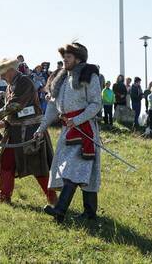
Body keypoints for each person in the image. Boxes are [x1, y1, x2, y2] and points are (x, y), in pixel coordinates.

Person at [35, 42, 102, 223]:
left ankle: (61, 210)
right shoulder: (60, 79)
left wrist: (78, 119)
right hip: (68, 131)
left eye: (69, 56)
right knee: (74, 171)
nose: (65, 59)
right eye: (64, 56)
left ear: (78, 58)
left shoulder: (89, 76)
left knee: (76, 171)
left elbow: (96, 104)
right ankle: (89, 213)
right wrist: (42, 128)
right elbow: (52, 107)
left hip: (85, 131)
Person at [0, 58, 56, 205]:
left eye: (3, 74)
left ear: (10, 70)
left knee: (38, 166)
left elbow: (15, 105)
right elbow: (13, 113)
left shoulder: (25, 82)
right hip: (14, 132)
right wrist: (2, 123)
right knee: (6, 162)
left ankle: (52, 198)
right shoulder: (10, 86)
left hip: (31, 131)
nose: (1, 77)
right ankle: (4, 196)